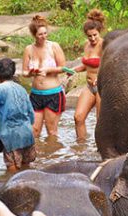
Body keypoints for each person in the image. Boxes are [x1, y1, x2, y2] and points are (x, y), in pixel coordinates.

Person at [23, 15, 69, 138]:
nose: (44, 37)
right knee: (34, 131)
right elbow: (24, 72)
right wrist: (31, 73)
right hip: (36, 95)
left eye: (45, 33)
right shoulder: (29, 49)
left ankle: (53, 156)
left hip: (53, 94)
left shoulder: (54, 46)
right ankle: (37, 157)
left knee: (51, 131)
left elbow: (63, 68)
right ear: (34, 35)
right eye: (40, 35)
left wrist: (48, 70)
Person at [72, 9, 105, 140]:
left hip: (101, 87)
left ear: (99, 32)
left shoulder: (104, 45)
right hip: (89, 86)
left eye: (95, 35)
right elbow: (87, 65)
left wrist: (100, 77)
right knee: (78, 117)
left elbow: (108, 66)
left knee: (100, 122)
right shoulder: (87, 45)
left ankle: (100, 151)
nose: (92, 39)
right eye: (89, 36)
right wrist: (74, 70)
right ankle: (81, 148)